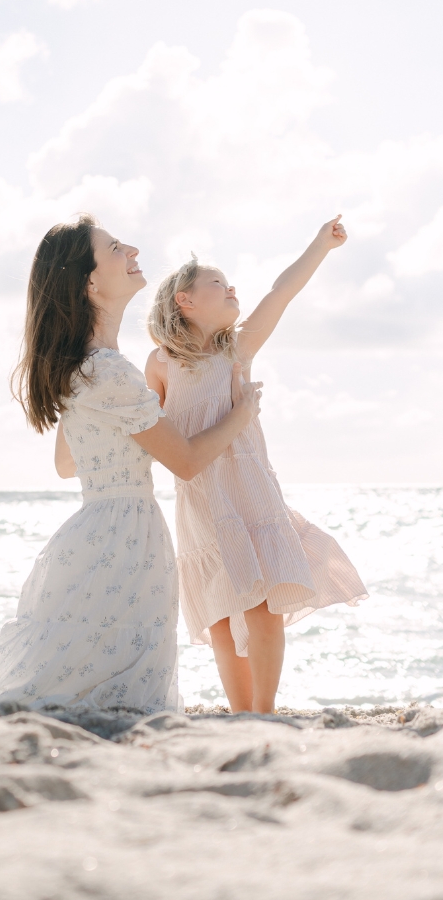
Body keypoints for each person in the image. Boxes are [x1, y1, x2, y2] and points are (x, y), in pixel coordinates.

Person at [0, 217, 262, 713]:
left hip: (102, 529)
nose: (133, 248)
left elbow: (66, 463)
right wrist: (241, 414)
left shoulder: (86, 364)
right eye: (116, 247)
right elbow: (185, 461)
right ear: (91, 282)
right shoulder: (109, 370)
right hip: (127, 538)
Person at [144, 220, 367, 713]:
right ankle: (242, 714)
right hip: (202, 503)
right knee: (222, 621)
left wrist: (321, 245)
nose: (232, 289)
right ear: (185, 300)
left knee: (266, 610)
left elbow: (281, 292)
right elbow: (152, 434)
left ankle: (264, 713)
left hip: (250, 493)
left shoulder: (236, 351)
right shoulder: (160, 364)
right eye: (218, 284)